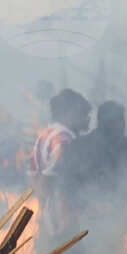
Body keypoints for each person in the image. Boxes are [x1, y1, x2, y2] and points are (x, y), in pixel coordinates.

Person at [29, 88, 92, 238]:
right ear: (69, 114)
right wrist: (62, 218)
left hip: (49, 216)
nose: (87, 119)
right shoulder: (64, 141)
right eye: (83, 114)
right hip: (62, 219)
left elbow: (32, 175)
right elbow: (51, 179)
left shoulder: (45, 135)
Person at [59, 100, 127, 205]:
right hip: (85, 213)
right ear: (103, 123)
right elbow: (67, 185)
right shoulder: (79, 148)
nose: (122, 126)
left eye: (122, 121)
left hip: (123, 211)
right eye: (116, 121)